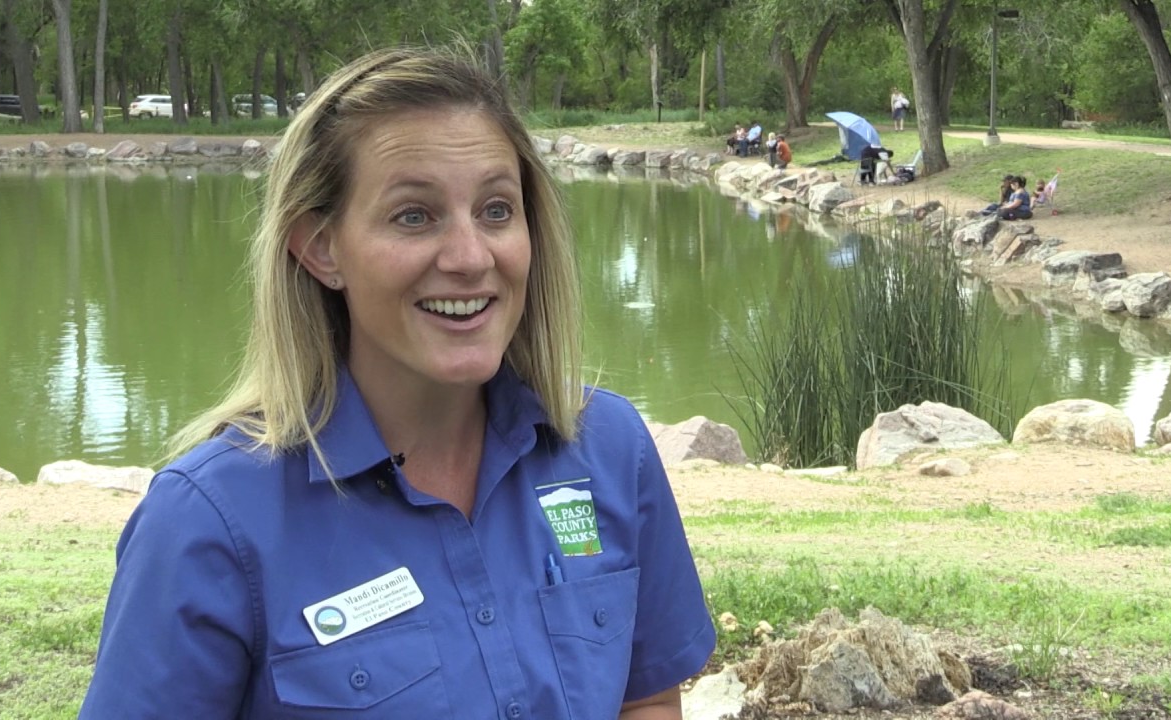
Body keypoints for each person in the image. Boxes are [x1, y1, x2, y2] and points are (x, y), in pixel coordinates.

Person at [79, 46, 716, 720]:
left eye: (497, 210)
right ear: (321, 248)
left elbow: (646, 698)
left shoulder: (610, 450)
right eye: (414, 216)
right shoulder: (208, 524)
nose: (471, 257)